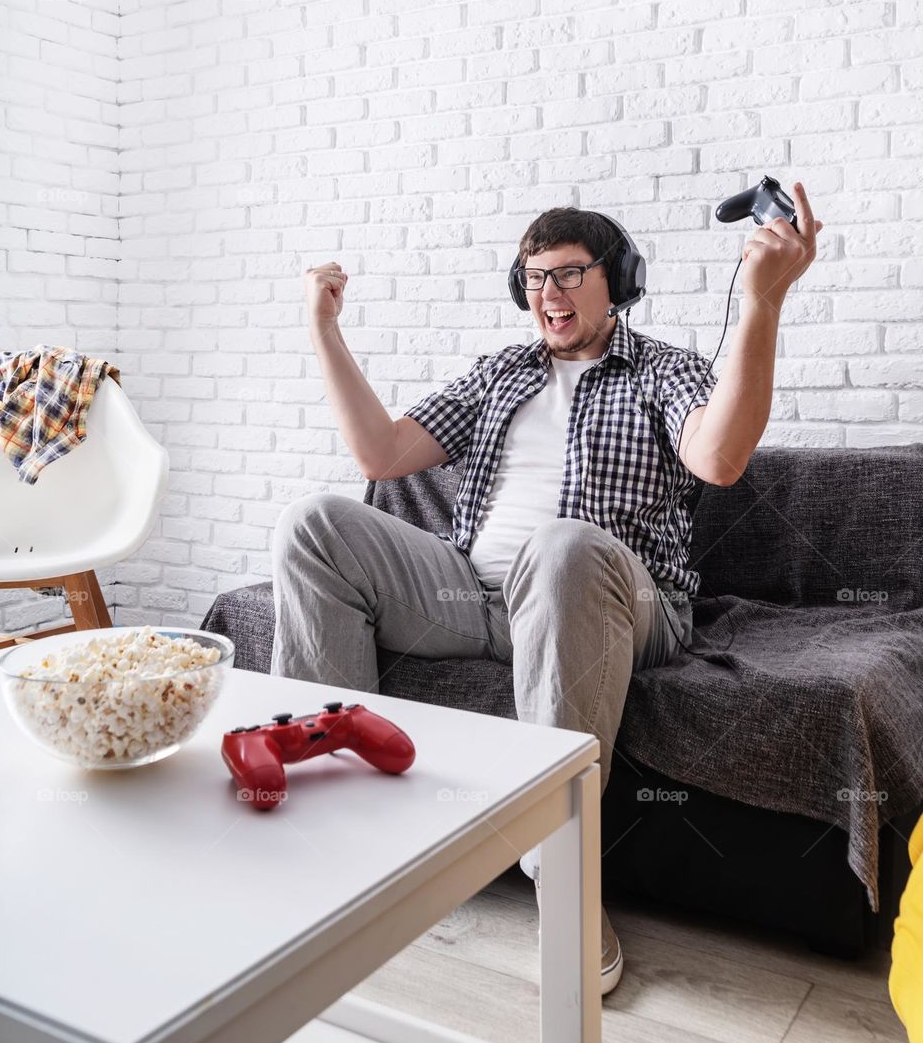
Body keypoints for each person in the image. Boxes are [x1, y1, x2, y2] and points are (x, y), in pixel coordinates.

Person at [271, 188, 822, 996]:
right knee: (313, 523)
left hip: (616, 599)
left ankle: (564, 879)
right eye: (533, 277)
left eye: (568, 273)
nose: (548, 293)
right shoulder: (501, 372)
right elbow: (382, 453)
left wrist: (762, 302)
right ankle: (340, 831)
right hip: (471, 596)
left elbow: (720, 458)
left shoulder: (664, 369)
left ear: (619, 281)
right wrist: (323, 329)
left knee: (561, 543)